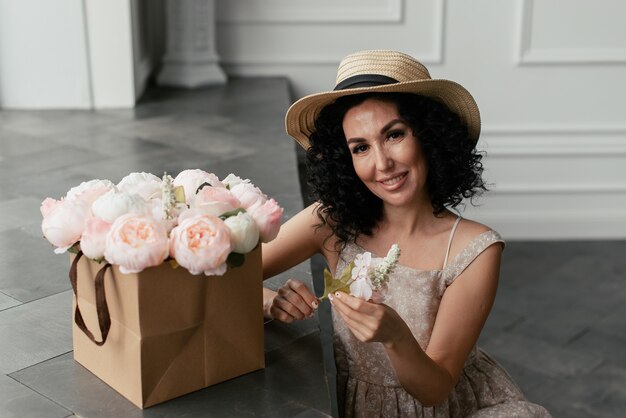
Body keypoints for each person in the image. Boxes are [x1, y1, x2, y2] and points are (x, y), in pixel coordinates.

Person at [262, 50, 551, 417]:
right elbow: (223, 279)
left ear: (429, 136)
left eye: (394, 135)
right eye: (361, 148)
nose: (382, 164)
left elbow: (435, 389)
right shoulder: (332, 222)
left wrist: (396, 337)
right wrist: (270, 303)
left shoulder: (474, 249)